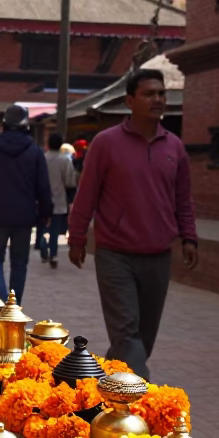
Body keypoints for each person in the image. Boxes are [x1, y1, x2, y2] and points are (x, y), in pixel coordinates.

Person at [68, 69, 198, 380]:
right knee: (126, 332)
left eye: (161, 94)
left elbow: (183, 199)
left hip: (158, 255)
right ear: (129, 100)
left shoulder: (175, 147)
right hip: (116, 255)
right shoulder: (106, 143)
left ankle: (109, 380)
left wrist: (189, 237)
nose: (157, 99)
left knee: (143, 336)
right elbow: (87, 194)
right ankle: (140, 394)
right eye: (148, 94)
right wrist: (77, 237)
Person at [0, 105, 52, 303]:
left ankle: (0, 300)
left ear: (4, 124)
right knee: (19, 263)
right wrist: (46, 212)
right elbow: (43, 186)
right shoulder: (34, 150)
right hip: (24, 215)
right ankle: (14, 306)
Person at [40, 132, 77, 268]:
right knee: (54, 231)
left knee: (42, 228)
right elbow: (69, 181)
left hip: (42, 199)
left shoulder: (42, 158)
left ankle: (43, 247)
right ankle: (53, 254)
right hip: (59, 199)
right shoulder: (65, 160)